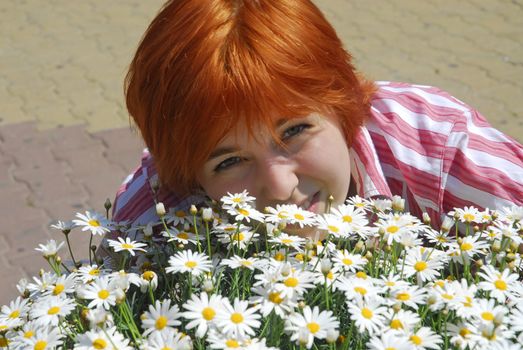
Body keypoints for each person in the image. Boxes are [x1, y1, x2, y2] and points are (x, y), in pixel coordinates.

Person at [109, 0, 523, 239]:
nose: (280, 186)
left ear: (343, 105)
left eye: (293, 131)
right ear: (190, 176)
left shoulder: (440, 148)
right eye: (229, 161)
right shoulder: (150, 222)